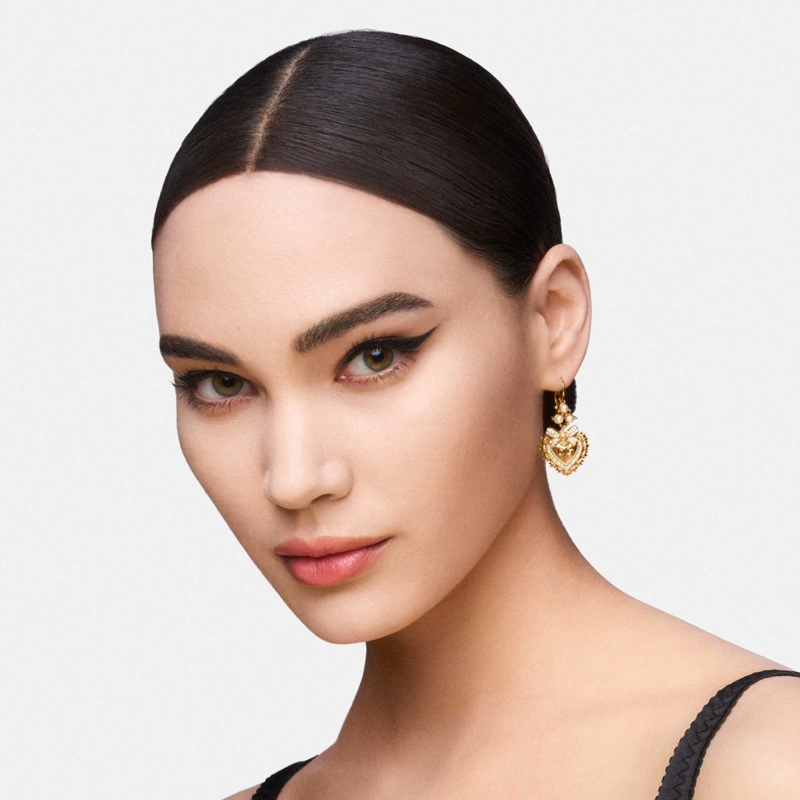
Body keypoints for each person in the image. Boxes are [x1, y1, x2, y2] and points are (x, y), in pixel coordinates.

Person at [150, 29, 800, 800]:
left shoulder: (767, 766)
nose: (293, 479)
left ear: (552, 321)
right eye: (220, 383)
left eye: (374, 356)